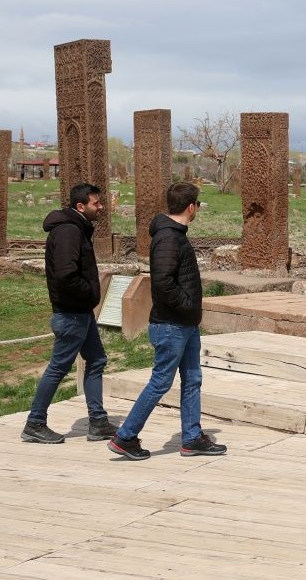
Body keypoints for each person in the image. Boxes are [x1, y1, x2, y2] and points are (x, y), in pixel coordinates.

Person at [108, 182, 227, 461]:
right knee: (161, 382)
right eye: (197, 204)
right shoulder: (168, 238)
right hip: (171, 324)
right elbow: (162, 283)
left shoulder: (175, 235)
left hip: (184, 323)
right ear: (191, 207)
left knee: (193, 379)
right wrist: (187, 305)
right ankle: (125, 437)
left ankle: (192, 438)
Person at [22, 183, 117, 444]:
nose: (101, 207)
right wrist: (89, 293)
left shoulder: (78, 229)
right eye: (96, 203)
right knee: (58, 367)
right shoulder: (68, 232)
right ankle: (35, 422)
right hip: (71, 312)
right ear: (80, 206)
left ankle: (97, 421)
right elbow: (65, 275)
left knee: (96, 360)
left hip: (81, 312)